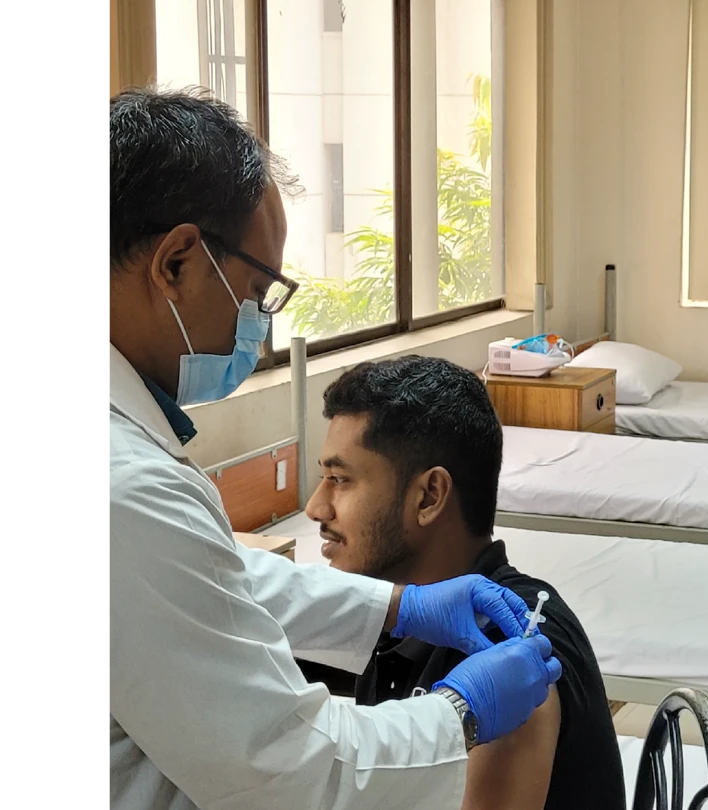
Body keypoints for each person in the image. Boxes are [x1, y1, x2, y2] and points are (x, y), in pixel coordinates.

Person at [105, 87, 562, 810]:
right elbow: (286, 769)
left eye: (342, 479)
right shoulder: (126, 488)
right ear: (177, 263)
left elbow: (207, 588)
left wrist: (396, 606)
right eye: (258, 291)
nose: (258, 327)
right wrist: (462, 713)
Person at [304, 355, 627, 810]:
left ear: (429, 496)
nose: (316, 508)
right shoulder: (395, 620)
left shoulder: (513, 656)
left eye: (340, 479)